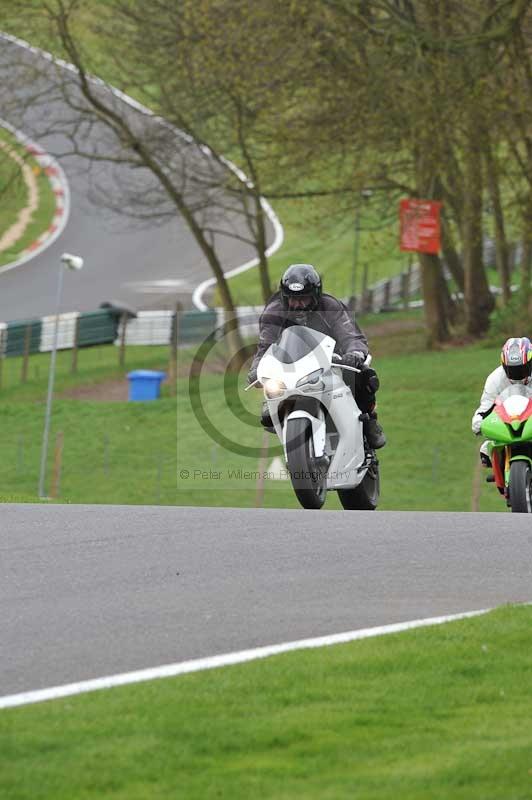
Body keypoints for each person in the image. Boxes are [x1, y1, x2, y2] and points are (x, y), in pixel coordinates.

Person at [247, 263, 386, 449]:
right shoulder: (273, 313)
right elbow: (265, 346)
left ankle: (370, 421)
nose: (298, 305)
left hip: (333, 362)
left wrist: (354, 353)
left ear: (316, 295)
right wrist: (257, 368)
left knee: (365, 374)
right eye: (292, 299)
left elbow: (351, 335)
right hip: (291, 368)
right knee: (268, 405)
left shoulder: (330, 307)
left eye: (304, 299)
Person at [472, 336, 532, 466]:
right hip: (507, 424)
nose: (517, 374)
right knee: (486, 451)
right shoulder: (495, 379)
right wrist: (478, 421)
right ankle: (501, 475)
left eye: (521, 369)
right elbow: (486, 407)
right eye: (512, 370)